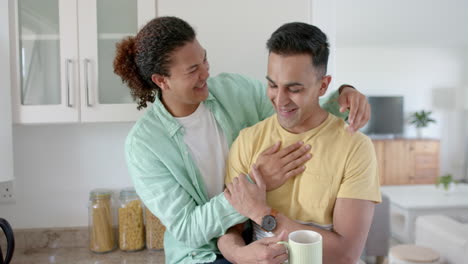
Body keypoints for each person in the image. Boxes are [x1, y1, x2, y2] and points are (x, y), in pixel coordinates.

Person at [114, 16, 371, 264]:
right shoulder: (144, 146)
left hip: (248, 235)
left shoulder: (232, 91)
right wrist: (256, 185)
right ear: (162, 81)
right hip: (201, 253)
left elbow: (295, 109)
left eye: (204, 59)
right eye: (193, 70)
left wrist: (344, 95)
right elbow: (187, 228)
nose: (206, 73)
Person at [221, 22, 381, 264]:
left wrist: (263, 214)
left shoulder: (355, 147)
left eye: (294, 89)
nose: (280, 100)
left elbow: (345, 254)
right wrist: (238, 254)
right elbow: (229, 229)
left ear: (323, 86)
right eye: (273, 85)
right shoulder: (247, 141)